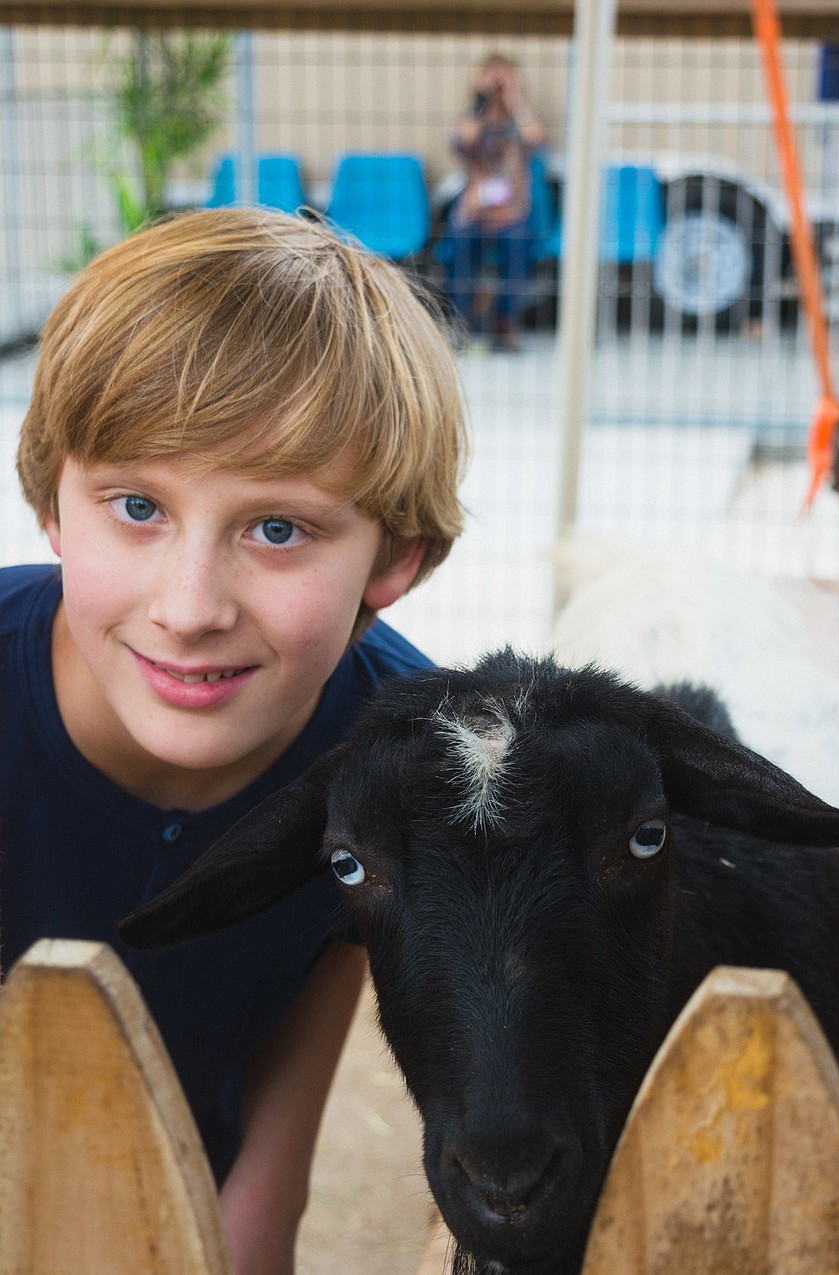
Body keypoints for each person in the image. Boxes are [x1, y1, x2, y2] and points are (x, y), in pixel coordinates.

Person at [3, 207, 467, 1274]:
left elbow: (308, 1011)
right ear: (51, 507)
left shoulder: (398, 763)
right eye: (135, 505)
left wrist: (257, 1230)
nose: (190, 606)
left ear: (395, 558)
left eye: (277, 529)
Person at [442, 53, 545, 351]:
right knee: (459, 242)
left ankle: (504, 321)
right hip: (474, 210)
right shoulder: (470, 118)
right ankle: (462, 322)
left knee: (520, 244)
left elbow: (535, 140)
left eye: (504, 76)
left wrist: (515, 101)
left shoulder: (522, 119)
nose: (498, 83)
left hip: (512, 213)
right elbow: (465, 141)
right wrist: (482, 100)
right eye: (492, 75)